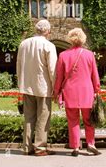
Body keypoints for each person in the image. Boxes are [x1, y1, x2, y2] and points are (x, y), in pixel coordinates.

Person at [53, 28, 101, 157]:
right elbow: (94, 75)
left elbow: (59, 76)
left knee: (73, 121)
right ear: (83, 39)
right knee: (89, 120)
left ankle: (75, 147)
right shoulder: (89, 54)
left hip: (70, 92)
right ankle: (91, 144)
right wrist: (97, 89)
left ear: (70, 39)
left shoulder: (63, 55)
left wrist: (56, 92)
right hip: (87, 91)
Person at [17, 19, 57, 156]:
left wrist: (20, 83)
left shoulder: (23, 44)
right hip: (43, 87)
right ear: (47, 31)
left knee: (29, 118)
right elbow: (52, 69)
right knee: (43, 118)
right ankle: (40, 148)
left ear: (36, 30)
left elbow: (19, 65)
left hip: (27, 85)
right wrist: (56, 86)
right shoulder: (49, 45)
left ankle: (27, 147)